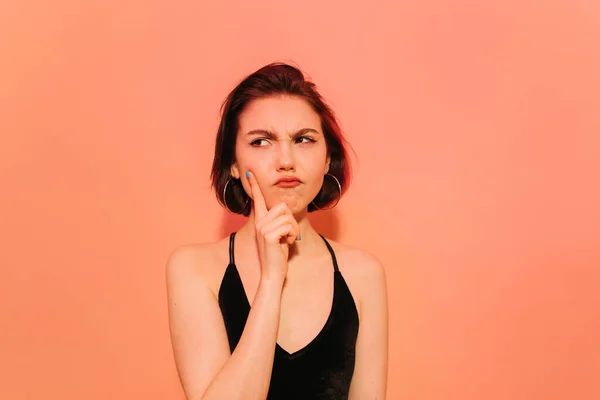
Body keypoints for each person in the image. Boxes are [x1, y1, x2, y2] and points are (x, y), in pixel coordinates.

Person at [166, 62, 388, 400]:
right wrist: (271, 280)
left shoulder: (362, 274)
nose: (286, 159)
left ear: (328, 158)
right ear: (234, 165)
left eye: (303, 139)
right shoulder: (195, 269)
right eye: (261, 142)